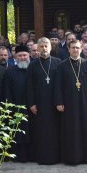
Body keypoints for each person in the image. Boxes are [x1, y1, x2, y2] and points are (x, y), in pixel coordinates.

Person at [54, 40, 87, 165]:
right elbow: (58, 86)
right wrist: (59, 102)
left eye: (77, 47)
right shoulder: (62, 65)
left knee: (86, 128)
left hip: (85, 103)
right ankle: (72, 157)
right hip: (69, 104)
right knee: (71, 129)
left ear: (81, 48)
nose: (75, 50)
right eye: (73, 47)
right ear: (68, 49)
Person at [27, 37, 61, 165]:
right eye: (41, 46)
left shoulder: (58, 62)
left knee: (55, 130)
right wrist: (31, 103)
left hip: (55, 103)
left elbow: (62, 85)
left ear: (50, 47)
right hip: (39, 104)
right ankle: (42, 157)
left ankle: (56, 157)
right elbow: (29, 86)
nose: (44, 48)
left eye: (46, 46)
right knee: (41, 131)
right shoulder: (33, 65)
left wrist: (61, 101)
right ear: (37, 48)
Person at [2, 45, 33, 162]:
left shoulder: (33, 68)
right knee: (18, 132)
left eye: (25, 55)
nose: (23, 57)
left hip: (33, 107)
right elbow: (7, 91)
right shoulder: (10, 71)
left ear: (28, 55)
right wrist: (10, 107)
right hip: (16, 107)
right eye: (20, 55)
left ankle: (32, 155)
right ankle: (19, 156)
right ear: (15, 57)